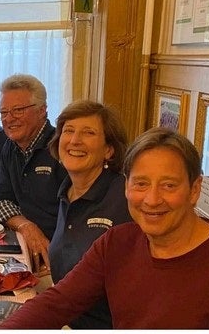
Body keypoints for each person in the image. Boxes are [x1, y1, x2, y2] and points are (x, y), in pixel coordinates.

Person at [0, 128, 209, 329]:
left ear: (194, 190)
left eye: (169, 185)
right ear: (126, 186)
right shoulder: (117, 242)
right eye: (141, 184)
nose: (152, 199)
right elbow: (57, 303)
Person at [46, 100, 132, 328]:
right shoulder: (66, 192)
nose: (75, 140)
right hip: (66, 320)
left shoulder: (125, 197)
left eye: (88, 133)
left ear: (109, 150)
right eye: (69, 131)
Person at [0, 74, 67, 272]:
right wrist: (26, 226)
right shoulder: (11, 146)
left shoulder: (62, 147)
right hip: (23, 247)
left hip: (56, 257)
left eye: (18, 110)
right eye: (4, 112)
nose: (9, 118)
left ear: (42, 110)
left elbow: (74, 217)